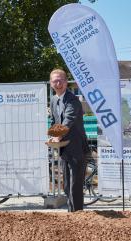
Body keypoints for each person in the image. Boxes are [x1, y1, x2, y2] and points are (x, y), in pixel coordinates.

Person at [49, 69, 89, 212]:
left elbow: (68, 120)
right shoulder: (54, 100)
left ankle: (77, 215)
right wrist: (52, 136)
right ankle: (71, 214)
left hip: (77, 148)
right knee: (66, 185)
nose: (58, 83)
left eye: (61, 80)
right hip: (64, 148)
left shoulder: (72, 100)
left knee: (75, 186)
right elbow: (54, 121)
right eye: (55, 81)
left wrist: (58, 136)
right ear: (51, 83)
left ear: (66, 82)